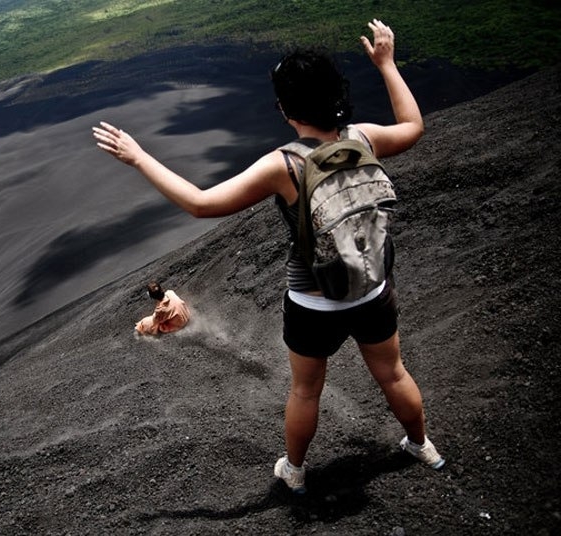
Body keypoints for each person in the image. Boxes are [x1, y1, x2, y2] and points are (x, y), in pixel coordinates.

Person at [93, 19, 443, 494]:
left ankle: (295, 472)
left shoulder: (285, 165)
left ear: (285, 109)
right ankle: (422, 446)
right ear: (336, 96)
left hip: (314, 301)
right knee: (393, 372)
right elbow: (414, 126)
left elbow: (201, 204)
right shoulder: (363, 138)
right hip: (373, 285)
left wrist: (138, 157)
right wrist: (386, 64)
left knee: (305, 390)